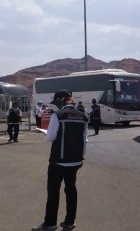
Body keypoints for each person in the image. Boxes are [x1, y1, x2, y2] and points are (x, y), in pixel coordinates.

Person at [32, 90, 88, 231]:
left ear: (61, 101)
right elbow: (84, 139)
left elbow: (50, 137)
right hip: (76, 161)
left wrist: (46, 135)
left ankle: (50, 223)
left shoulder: (57, 115)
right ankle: (70, 221)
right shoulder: (82, 116)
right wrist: (80, 157)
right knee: (71, 190)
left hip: (59, 161)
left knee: (53, 191)